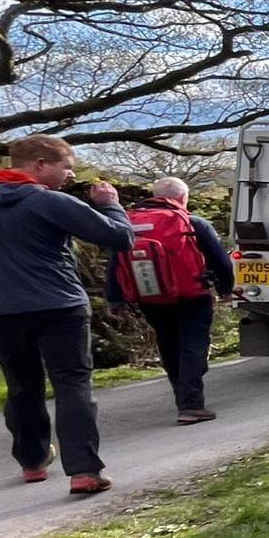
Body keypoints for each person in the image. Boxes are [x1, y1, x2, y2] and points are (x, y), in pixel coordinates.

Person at [0, 134, 134, 495]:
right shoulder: (48, 201)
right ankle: (84, 471)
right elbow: (119, 237)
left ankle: (33, 461)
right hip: (59, 305)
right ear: (39, 164)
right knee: (72, 384)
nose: (70, 175)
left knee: (22, 385)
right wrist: (110, 204)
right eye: (66, 166)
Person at [100, 177, 233, 426]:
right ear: (182, 198)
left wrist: (115, 299)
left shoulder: (128, 223)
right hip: (192, 295)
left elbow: (115, 263)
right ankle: (191, 404)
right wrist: (226, 289)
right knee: (193, 346)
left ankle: (182, 400)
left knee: (168, 344)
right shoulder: (193, 223)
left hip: (150, 297)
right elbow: (220, 260)